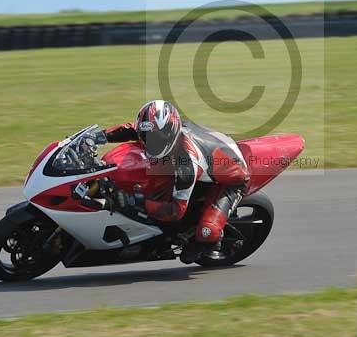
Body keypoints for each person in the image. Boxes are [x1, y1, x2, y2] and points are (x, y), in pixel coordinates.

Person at [104, 100, 250, 263]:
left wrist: (139, 202)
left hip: (231, 179)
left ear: (171, 134)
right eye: (146, 137)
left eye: (156, 139)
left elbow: (175, 211)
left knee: (207, 231)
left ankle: (209, 243)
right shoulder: (160, 131)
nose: (150, 143)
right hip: (210, 151)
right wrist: (100, 136)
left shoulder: (186, 164)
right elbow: (132, 129)